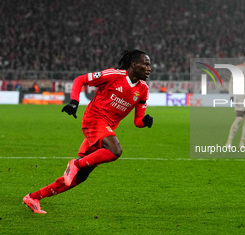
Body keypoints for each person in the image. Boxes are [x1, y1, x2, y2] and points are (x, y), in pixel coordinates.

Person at [23, 50, 153, 214]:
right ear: (134, 64)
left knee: (78, 178)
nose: (149, 68)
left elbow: (137, 121)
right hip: (94, 120)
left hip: (104, 131)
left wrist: (145, 122)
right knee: (115, 150)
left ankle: (33, 197)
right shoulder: (113, 75)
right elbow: (80, 80)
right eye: (146, 64)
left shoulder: (143, 89)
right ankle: (75, 164)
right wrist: (74, 102)